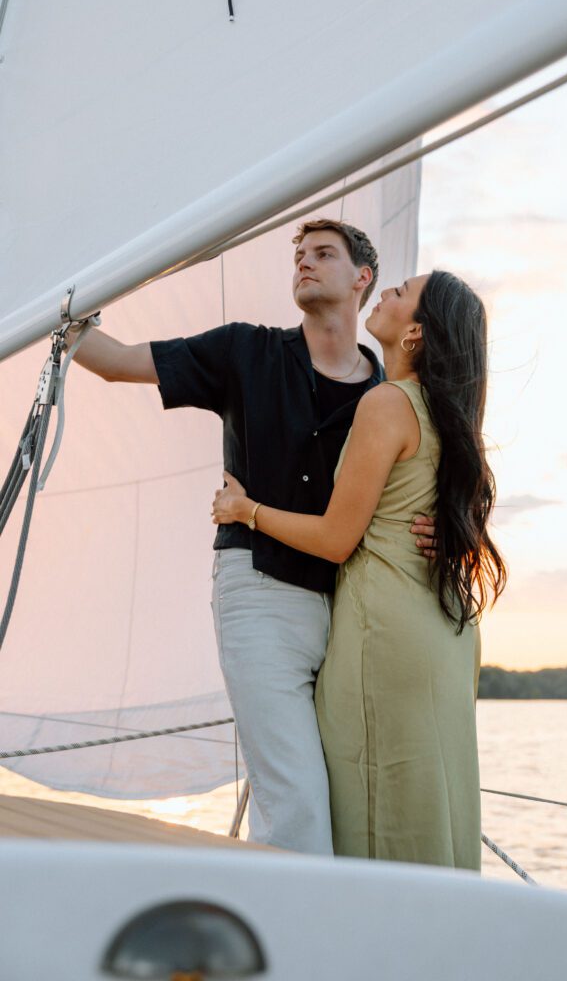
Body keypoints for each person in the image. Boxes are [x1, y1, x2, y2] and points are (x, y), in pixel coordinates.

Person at [65, 218, 435, 855]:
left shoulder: (387, 393)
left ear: (362, 278)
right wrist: (64, 310)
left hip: (351, 609)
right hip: (259, 594)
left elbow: (419, 488)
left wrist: (436, 533)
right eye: (299, 255)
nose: (305, 264)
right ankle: (292, 944)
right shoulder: (245, 351)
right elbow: (116, 364)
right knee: (295, 802)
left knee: (344, 796)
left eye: (323, 254)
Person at [212, 269, 507, 868]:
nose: (385, 296)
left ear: (416, 334)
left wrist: (246, 510)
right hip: (444, 631)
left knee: (373, 809)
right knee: (430, 800)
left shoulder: (387, 403)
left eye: (400, 293)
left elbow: (335, 539)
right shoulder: (450, 418)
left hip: (384, 631)